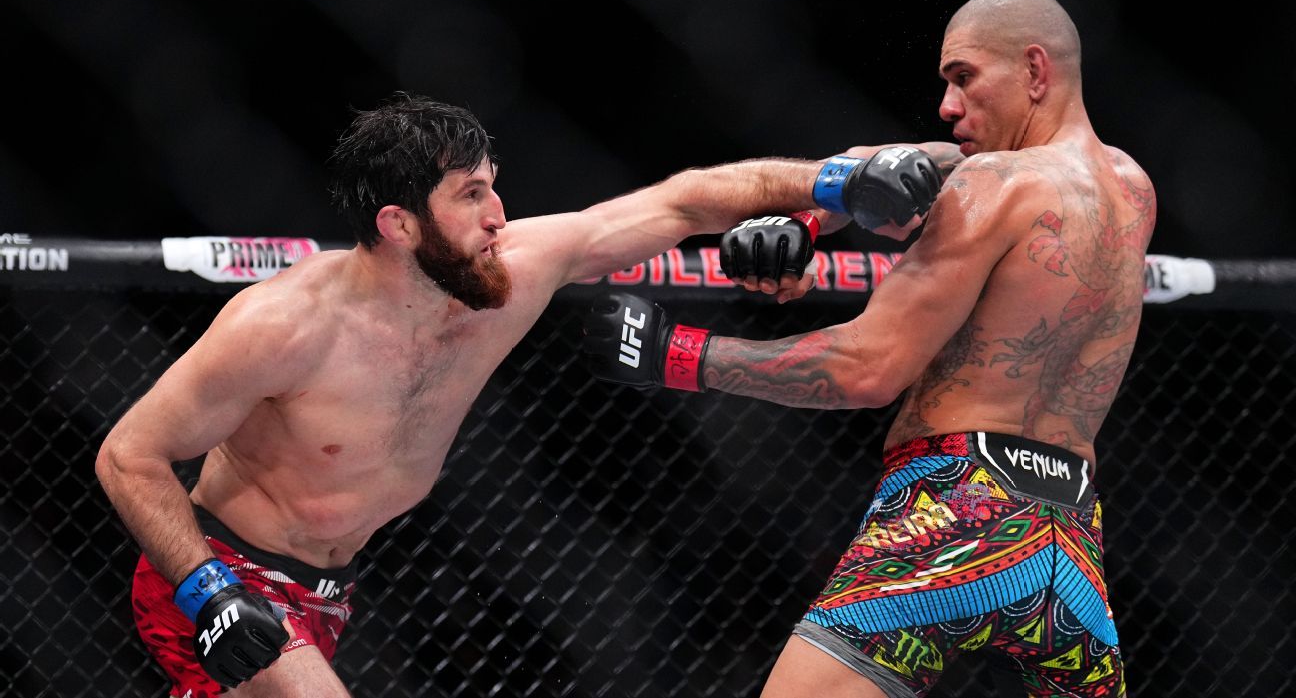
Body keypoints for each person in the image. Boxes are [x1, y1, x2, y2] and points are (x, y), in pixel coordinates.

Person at [95, 93, 937, 697]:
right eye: (470, 195)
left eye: (493, 184)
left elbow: (681, 201)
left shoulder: (515, 273)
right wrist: (209, 592)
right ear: (398, 225)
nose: (500, 212)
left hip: (330, 591)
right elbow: (129, 454)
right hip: (222, 574)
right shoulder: (283, 325)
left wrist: (837, 183)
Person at [584, 0, 1152, 697]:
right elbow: (911, 161)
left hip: (957, 512)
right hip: (1070, 542)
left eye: (964, 77)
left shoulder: (991, 184)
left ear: (1035, 71)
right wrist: (813, 215)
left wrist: (676, 353)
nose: (947, 105)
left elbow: (866, 368)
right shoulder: (1131, 187)